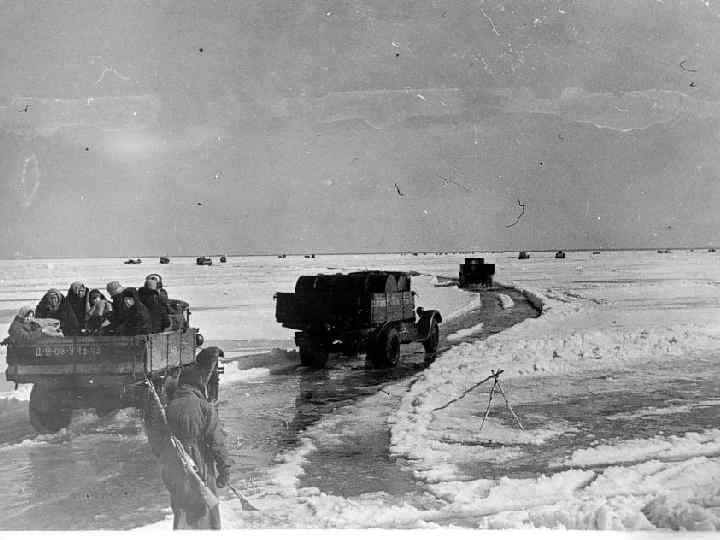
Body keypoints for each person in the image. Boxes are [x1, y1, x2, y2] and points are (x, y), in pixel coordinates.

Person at [162, 350, 232, 530]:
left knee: (181, 515)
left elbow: (159, 444)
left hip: (176, 467)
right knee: (206, 515)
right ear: (200, 384)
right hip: (200, 465)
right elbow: (217, 444)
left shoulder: (168, 407)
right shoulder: (204, 407)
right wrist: (224, 471)